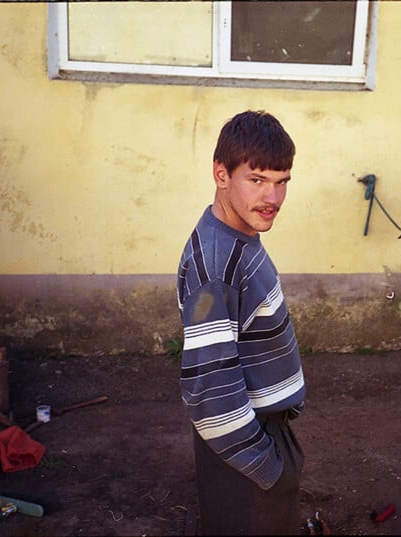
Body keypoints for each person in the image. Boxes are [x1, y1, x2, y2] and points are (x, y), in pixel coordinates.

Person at [176, 110, 306, 535]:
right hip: (244, 451)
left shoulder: (240, 235)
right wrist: (268, 467)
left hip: (257, 436)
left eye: (282, 180)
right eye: (257, 180)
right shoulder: (218, 266)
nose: (273, 197)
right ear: (221, 174)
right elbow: (209, 390)